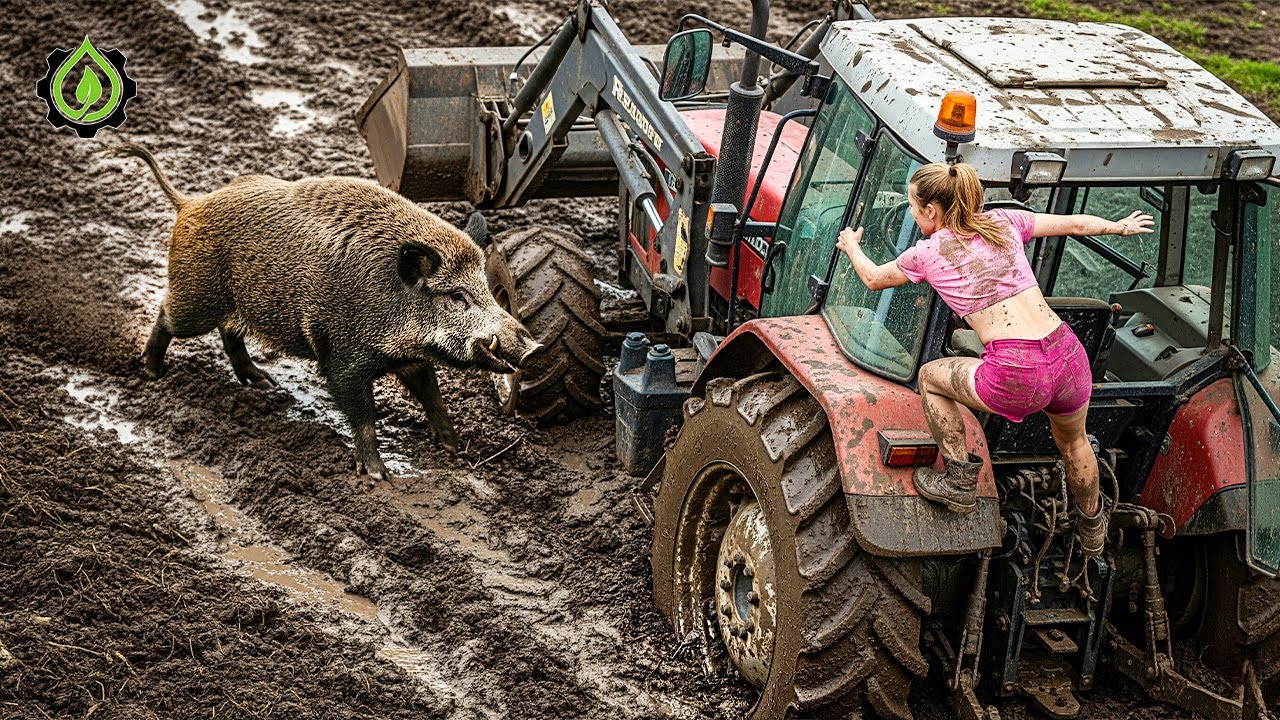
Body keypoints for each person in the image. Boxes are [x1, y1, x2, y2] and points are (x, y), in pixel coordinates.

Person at [835, 162, 1154, 555]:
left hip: (1017, 371)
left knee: (932, 378)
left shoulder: (928, 252)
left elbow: (872, 279)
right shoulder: (1004, 221)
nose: (913, 214)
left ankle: (959, 481)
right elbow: (1073, 224)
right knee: (1074, 445)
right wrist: (1117, 226)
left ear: (932, 212)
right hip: (1068, 355)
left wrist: (851, 245)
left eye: (914, 208)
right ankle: (1092, 525)